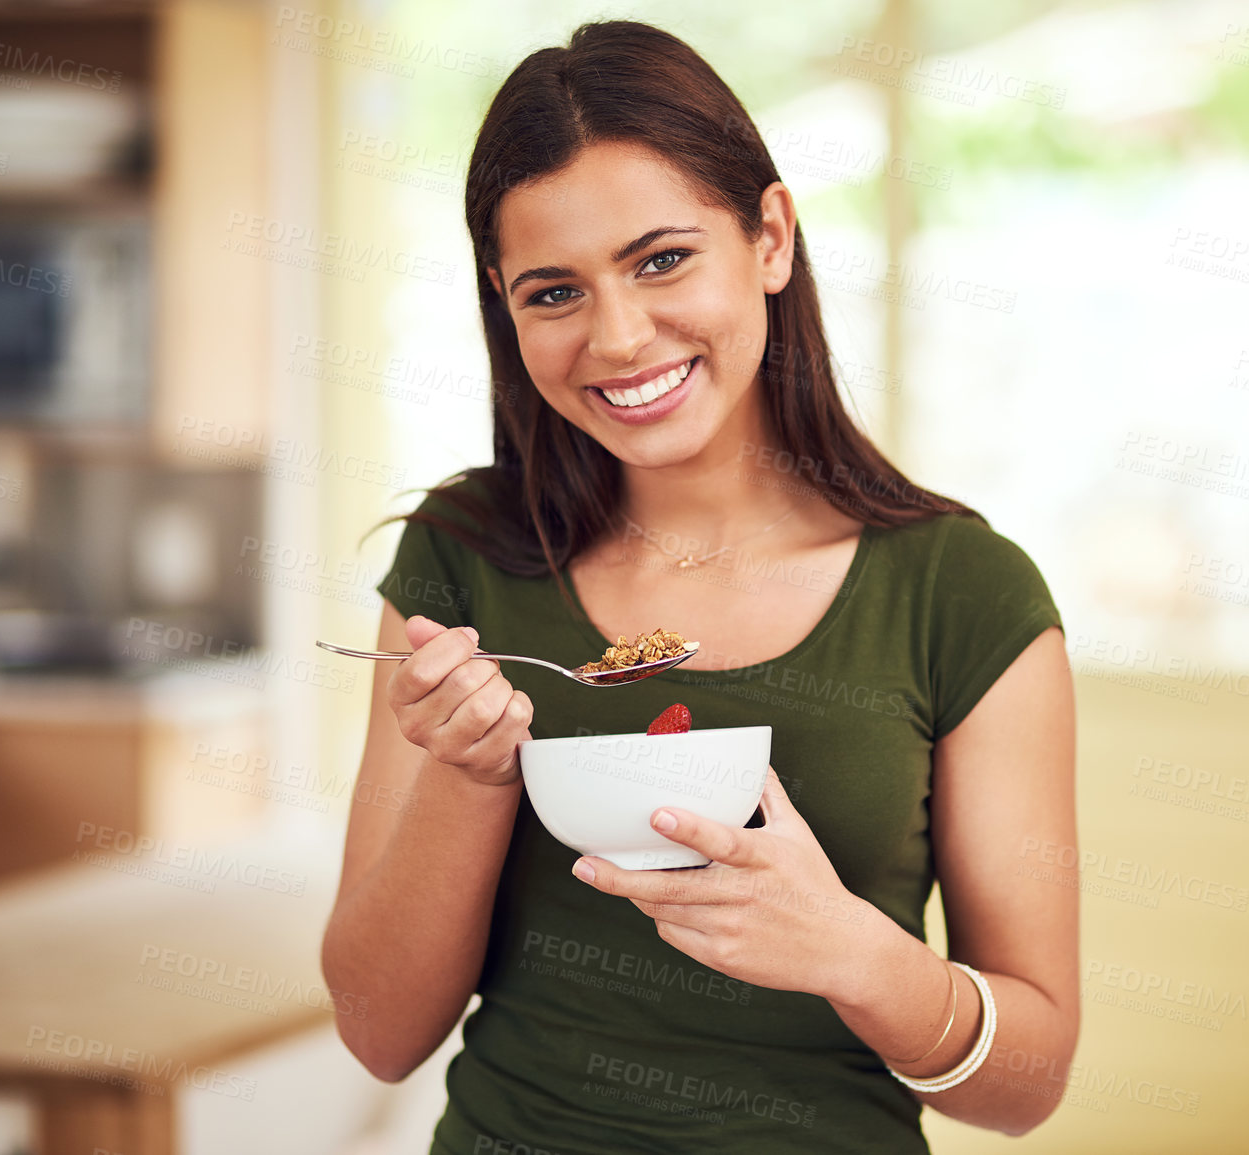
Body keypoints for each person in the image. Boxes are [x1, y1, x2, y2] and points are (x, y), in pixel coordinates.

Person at [321, 19, 1078, 1154]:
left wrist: (856, 955)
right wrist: (466, 772)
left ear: (769, 237)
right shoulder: (465, 554)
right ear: (503, 303)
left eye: (663, 259)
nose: (619, 338)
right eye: (552, 292)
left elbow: (1023, 1088)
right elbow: (379, 1033)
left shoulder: (964, 597)